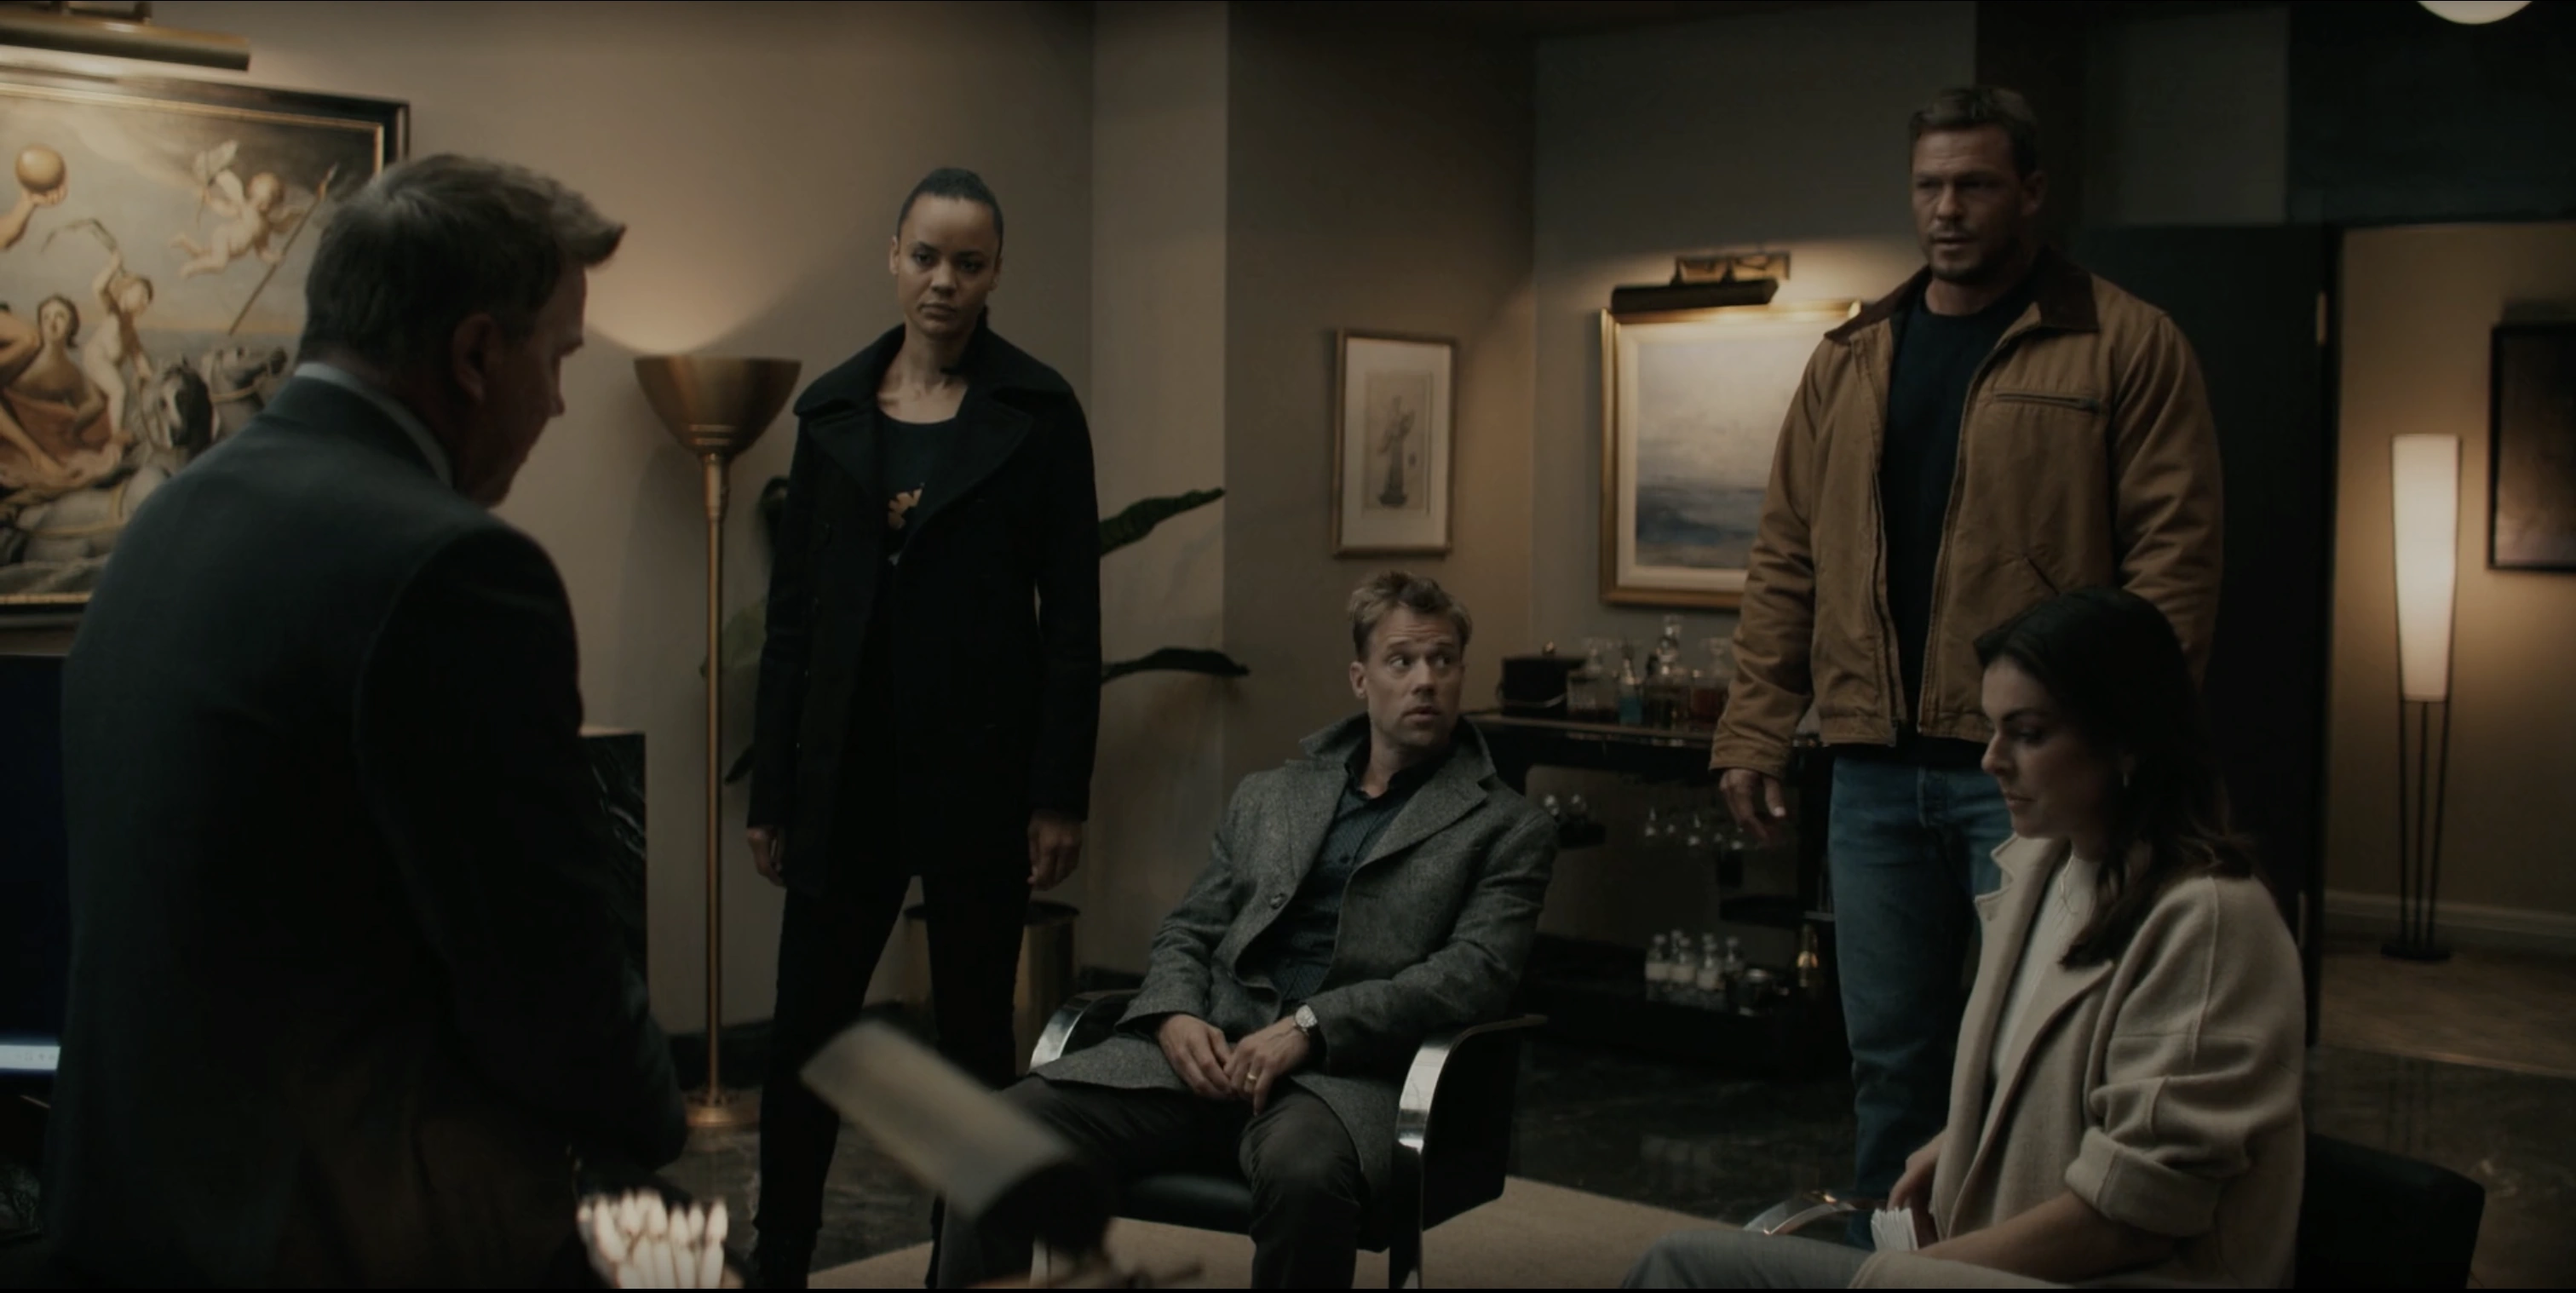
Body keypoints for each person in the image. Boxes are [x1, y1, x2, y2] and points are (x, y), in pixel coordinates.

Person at [42, 154, 686, 1286]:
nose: (557, 401)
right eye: (558, 357)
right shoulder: (454, 569)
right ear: (477, 354)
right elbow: (549, 983)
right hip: (330, 1232)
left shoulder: (165, 521)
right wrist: (655, 1123)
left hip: (128, 1210)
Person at [1707, 85, 2224, 1223]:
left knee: (2043, 1048)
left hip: (2036, 769)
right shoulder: (1852, 356)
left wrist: (2130, 741)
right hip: (1873, 766)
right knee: (1891, 1056)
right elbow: (1787, 553)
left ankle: (2024, 1261)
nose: (1947, 208)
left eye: (1975, 184)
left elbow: (2174, 565)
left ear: (2030, 191)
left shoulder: (2125, 343)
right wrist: (1753, 725)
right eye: (1929, 185)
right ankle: (1897, 1262)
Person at [1632, 586, 2303, 1288]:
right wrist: (1964, 1136)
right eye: (1992, 729)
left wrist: (1904, 1275)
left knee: (1685, 1268)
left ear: (2127, 740)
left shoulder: (2210, 919)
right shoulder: (2042, 871)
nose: (1991, 760)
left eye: (2029, 734)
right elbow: (2048, 1081)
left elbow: (2134, 1216)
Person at [937, 572, 1558, 1290]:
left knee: (1305, 1178)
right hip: (1199, 1056)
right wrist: (1174, 1014)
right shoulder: (1270, 795)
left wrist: (1311, 1027)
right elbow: (1189, 928)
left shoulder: (1507, 827)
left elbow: (1471, 975)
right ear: (1361, 679)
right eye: (1402, 660)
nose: (1425, 680)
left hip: (1338, 1078)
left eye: (1442, 660)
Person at [745, 166, 1102, 1286]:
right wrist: (773, 793)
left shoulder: (1039, 412)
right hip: (845, 777)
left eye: (969, 263)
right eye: (927, 257)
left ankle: (974, 1264)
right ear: (894, 258)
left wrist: (1058, 792)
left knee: (974, 1043)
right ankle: (781, 1255)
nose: (945, 281)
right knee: (807, 1034)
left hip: (979, 778)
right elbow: (793, 620)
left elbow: (1074, 622)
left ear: (995, 273)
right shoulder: (832, 412)